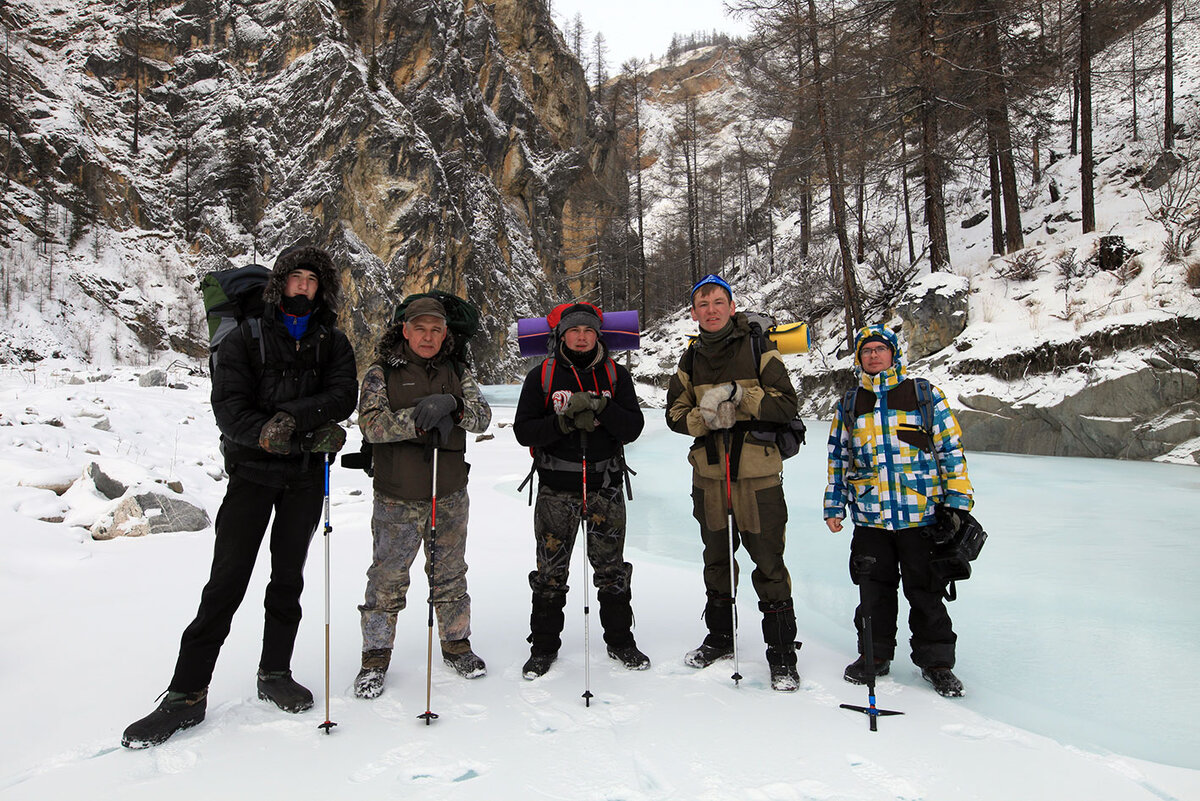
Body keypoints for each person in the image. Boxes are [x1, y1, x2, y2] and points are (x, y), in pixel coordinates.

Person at [122, 244, 358, 748]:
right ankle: (186, 694)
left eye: (313, 281)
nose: (304, 287)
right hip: (252, 475)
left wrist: (291, 422)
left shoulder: (331, 340)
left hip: (303, 478)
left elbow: (344, 396)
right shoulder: (244, 339)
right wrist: (283, 430)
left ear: (323, 288)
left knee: (287, 579)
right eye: (296, 278)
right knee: (226, 583)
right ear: (279, 284)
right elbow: (229, 408)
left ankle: (274, 673)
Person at [665, 274, 802, 692]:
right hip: (709, 476)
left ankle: (781, 657)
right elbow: (673, 413)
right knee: (717, 560)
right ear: (693, 313)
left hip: (757, 479)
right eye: (702, 304)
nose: (710, 309)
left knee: (769, 562)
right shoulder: (689, 359)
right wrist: (704, 416)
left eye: (717, 302)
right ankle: (720, 639)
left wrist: (740, 396)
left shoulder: (761, 348)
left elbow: (787, 404)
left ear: (731, 306)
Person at [353, 295, 492, 699]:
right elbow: (371, 426)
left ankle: (456, 644)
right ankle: (374, 657)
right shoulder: (381, 373)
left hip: (448, 491)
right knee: (387, 579)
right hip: (397, 496)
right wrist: (418, 417)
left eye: (436, 329)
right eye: (420, 329)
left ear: (445, 333)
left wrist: (453, 405)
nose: (428, 337)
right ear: (405, 331)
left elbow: (482, 415)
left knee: (450, 573)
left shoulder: (456, 370)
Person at [823, 325, 974, 698]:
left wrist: (956, 505)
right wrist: (834, 503)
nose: (873, 356)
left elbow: (951, 451)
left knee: (926, 591)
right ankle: (874, 656)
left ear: (893, 354)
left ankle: (936, 663)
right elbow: (839, 457)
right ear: (859, 359)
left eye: (879, 349)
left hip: (921, 514)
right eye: (866, 351)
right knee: (873, 589)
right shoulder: (850, 403)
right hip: (872, 515)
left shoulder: (924, 395)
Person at [513, 302, 648, 679]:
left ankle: (620, 641)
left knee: (611, 571)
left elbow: (632, 429)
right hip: (556, 489)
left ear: (598, 334)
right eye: (574, 331)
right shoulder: (541, 377)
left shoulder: (616, 376)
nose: (582, 336)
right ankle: (543, 648)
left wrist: (603, 408)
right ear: (562, 335)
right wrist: (564, 424)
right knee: (550, 572)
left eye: (588, 330)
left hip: (605, 486)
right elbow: (524, 431)